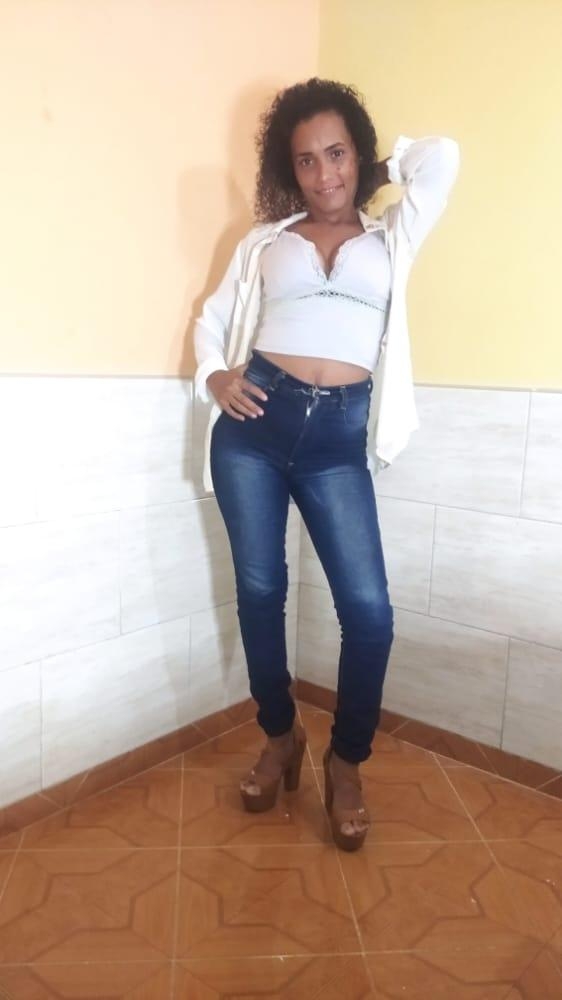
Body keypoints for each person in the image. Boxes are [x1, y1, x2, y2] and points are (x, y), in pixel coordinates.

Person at [193, 77, 460, 851]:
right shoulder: (265, 242)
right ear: (291, 169)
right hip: (254, 426)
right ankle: (281, 737)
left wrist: (383, 168)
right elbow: (212, 320)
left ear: (359, 155)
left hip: (338, 441)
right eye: (306, 160)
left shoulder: (392, 235)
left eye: (337, 154)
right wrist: (215, 375)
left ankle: (347, 760)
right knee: (260, 592)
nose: (323, 173)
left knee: (369, 613)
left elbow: (444, 157)